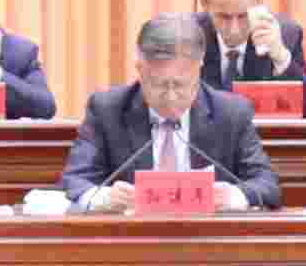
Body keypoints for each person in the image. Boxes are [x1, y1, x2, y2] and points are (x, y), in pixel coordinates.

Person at [55, 13, 280, 209]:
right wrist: (104, 198)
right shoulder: (108, 110)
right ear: (139, 68)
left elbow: (267, 185)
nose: (171, 97)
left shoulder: (231, 113)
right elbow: (73, 182)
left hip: (207, 240)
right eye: (159, 85)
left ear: (199, 66)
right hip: (131, 239)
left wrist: (234, 195)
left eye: (181, 85)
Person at [197, 0, 306, 116]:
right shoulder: (186, 37)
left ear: (259, 1)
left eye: (243, 16)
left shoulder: (287, 35)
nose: (234, 30)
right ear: (204, 3)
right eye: (224, 17)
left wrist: (281, 58)